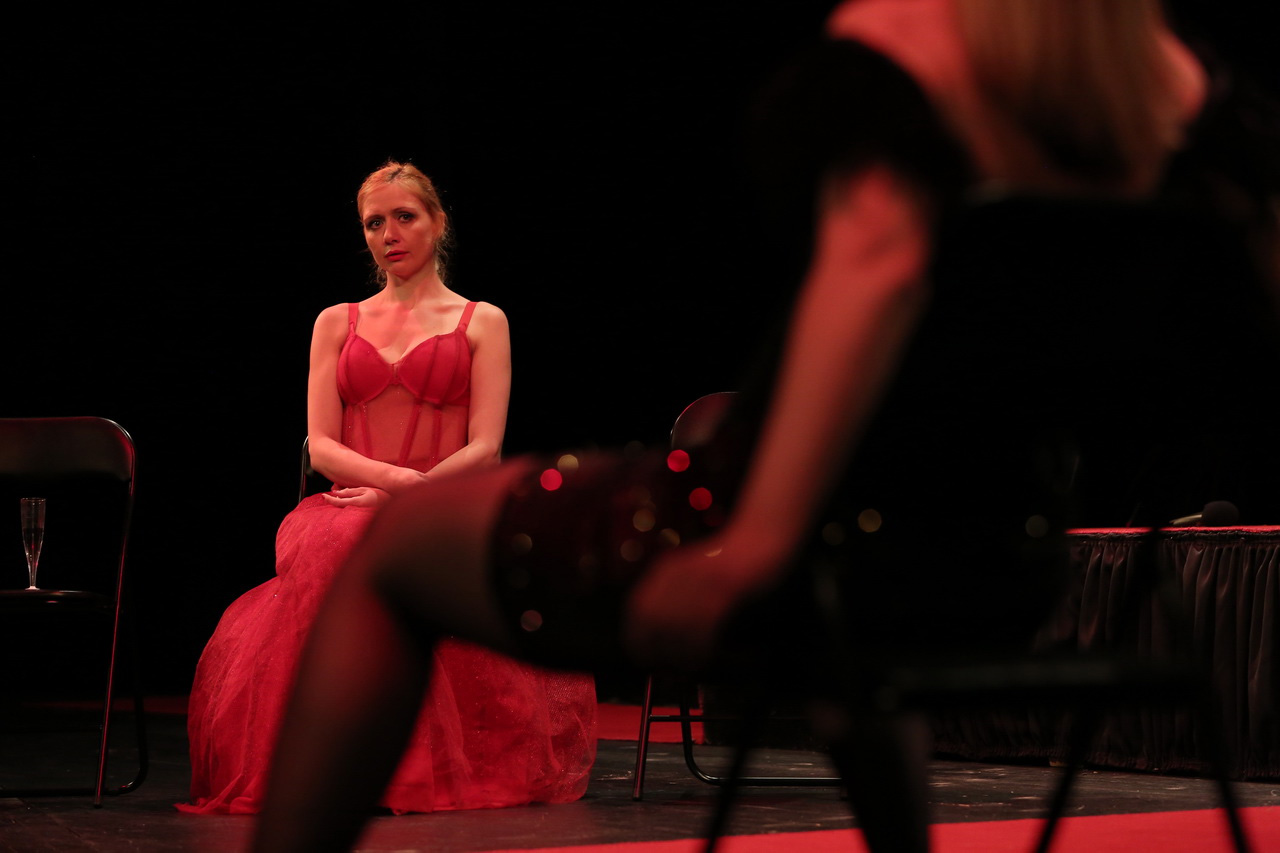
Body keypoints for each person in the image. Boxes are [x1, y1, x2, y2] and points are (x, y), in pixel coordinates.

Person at [253, 2, 1280, 851]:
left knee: (395, 548)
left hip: (798, 539)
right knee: (857, 599)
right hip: (1005, 557)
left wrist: (758, 541)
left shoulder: (905, 43)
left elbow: (876, 265)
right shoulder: (1185, 92)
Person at [178, 161, 597, 816]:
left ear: (438, 222)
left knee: (394, 543)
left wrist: (408, 495)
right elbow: (321, 444)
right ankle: (337, 765)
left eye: (405, 217)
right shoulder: (336, 322)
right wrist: (390, 483)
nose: (389, 234)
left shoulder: (482, 320)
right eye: (374, 223)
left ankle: (410, 770)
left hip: (449, 500)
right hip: (353, 499)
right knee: (340, 540)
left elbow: (486, 447)